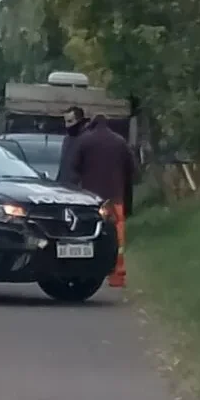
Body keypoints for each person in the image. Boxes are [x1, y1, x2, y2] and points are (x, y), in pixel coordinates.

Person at [70, 113, 137, 287]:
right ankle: (117, 274)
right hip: (115, 198)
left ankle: (87, 271)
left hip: (90, 200)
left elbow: (73, 168)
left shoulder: (84, 141)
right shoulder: (119, 141)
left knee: (89, 234)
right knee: (117, 237)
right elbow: (132, 169)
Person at [56, 106, 89, 184]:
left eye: (70, 121)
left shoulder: (88, 140)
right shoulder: (67, 139)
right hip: (64, 186)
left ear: (79, 121)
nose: (66, 125)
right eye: (65, 121)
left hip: (79, 189)